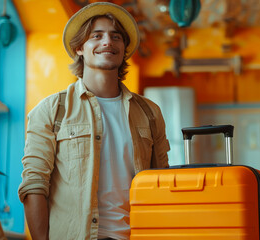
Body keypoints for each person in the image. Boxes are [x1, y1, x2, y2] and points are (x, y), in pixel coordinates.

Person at [17, 2, 170, 240]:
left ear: (124, 48)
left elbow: (162, 181)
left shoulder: (150, 113)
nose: (107, 42)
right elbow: (34, 185)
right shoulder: (51, 110)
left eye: (116, 36)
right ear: (79, 47)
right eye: (96, 36)